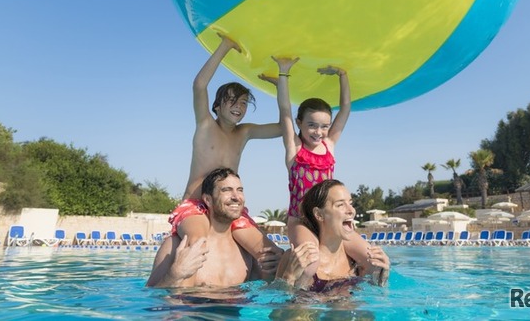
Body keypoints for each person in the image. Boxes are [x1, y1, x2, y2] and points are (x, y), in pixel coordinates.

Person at [153, 32, 283, 284]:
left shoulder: (244, 132)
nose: (239, 106)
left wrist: (279, 87)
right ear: (217, 106)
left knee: (271, 255)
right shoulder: (205, 125)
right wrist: (224, 47)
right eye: (231, 100)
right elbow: (199, 85)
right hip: (196, 206)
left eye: (244, 102)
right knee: (199, 245)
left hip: (229, 208)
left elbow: (281, 128)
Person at [270, 56, 380, 284]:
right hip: (301, 220)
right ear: (300, 123)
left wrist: (343, 75)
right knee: (309, 265)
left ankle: (353, 293)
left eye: (324, 126)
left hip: (330, 220)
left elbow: (346, 109)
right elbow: (284, 111)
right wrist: (283, 72)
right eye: (311, 125)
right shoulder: (295, 148)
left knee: (374, 261)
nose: (318, 131)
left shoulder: (329, 146)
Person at [147, 168, 281, 287]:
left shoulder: (247, 253)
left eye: (239, 190)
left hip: (236, 314)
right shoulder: (176, 245)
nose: (236, 197)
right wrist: (174, 274)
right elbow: (151, 297)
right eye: (226, 190)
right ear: (208, 200)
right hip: (192, 313)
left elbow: (265, 293)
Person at [276, 179, 390, 291]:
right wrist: (289, 278)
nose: (351, 210)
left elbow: (377, 300)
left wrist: (382, 278)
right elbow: (276, 304)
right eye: (340, 205)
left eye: (350, 203)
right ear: (319, 214)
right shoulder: (296, 259)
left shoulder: (358, 264)